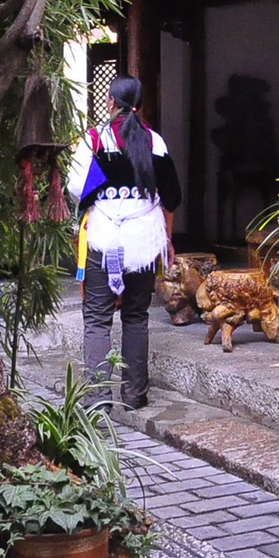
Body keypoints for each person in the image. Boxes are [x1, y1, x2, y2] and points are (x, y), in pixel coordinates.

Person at [68, 75, 181, 409]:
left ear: (110, 102)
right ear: (140, 105)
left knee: (97, 319)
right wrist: (168, 239)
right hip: (144, 239)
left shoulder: (94, 141)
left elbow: (77, 189)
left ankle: (98, 399)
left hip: (104, 238)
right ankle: (134, 395)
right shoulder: (155, 142)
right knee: (135, 316)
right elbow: (171, 197)